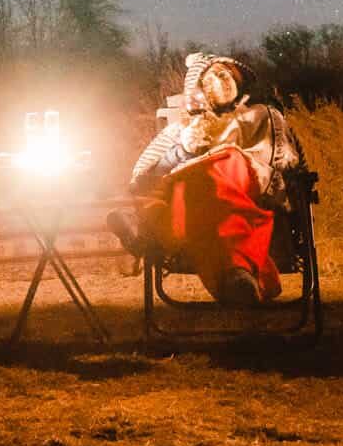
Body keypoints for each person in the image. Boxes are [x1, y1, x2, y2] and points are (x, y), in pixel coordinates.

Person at [111, 53, 304, 306]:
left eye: (228, 76)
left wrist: (216, 156)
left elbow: (280, 160)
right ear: (197, 86)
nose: (223, 80)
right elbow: (146, 177)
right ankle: (236, 278)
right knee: (188, 183)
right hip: (199, 206)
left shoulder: (259, 115)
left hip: (244, 185)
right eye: (214, 75)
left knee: (219, 165)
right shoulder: (181, 129)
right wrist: (184, 151)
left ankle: (149, 230)